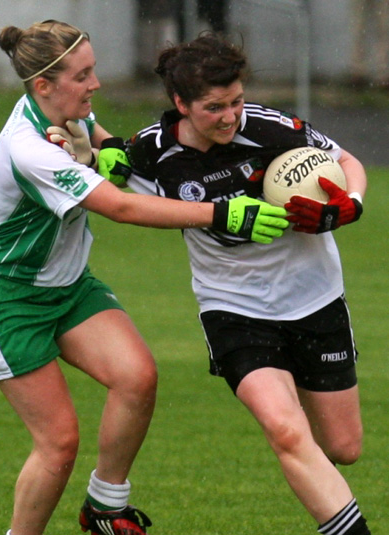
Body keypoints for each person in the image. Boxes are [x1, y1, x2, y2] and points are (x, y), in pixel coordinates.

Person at [0, 22, 289, 535]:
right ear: (44, 84)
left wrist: (111, 144)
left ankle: (105, 508)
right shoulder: (29, 148)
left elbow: (94, 137)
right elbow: (121, 206)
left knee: (136, 378)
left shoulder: (64, 113)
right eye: (83, 75)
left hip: (65, 285)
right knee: (59, 442)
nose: (96, 84)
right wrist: (222, 214)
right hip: (4, 296)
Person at [90, 34, 371, 535]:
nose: (230, 115)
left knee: (342, 448)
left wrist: (348, 204)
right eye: (213, 107)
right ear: (181, 104)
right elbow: (107, 163)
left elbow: (347, 163)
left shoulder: (270, 127)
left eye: (236, 100)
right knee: (286, 430)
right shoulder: (155, 152)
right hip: (233, 308)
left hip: (315, 297)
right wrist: (102, 150)